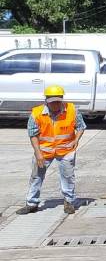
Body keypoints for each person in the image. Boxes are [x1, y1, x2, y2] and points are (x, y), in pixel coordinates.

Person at [20, 85, 85, 215]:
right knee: (36, 176)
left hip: (66, 150)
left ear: (62, 100)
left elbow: (81, 126)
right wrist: (38, 154)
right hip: (44, 151)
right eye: (52, 102)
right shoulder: (36, 113)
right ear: (46, 101)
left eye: (58, 101)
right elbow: (33, 134)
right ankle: (31, 203)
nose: (55, 105)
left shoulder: (72, 110)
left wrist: (76, 140)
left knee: (68, 177)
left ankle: (69, 202)